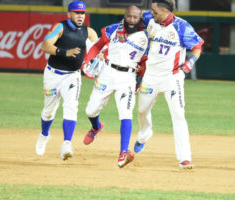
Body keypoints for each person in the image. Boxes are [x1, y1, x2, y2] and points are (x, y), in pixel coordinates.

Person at [133, 0, 204, 169]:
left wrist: (191, 61)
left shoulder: (182, 27)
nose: (152, 13)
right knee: (142, 110)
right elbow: (135, 16)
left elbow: (197, 46)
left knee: (178, 114)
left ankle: (184, 157)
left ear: (165, 11)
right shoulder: (150, 17)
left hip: (172, 77)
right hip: (150, 76)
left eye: (155, 11)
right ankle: (144, 134)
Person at [82, 5, 149, 168]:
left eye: (135, 17)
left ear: (140, 18)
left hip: (128, 77)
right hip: (107, 73)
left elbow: (144, 63)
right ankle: (96, 127)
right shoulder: (112, 29)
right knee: (90, 111)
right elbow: (97, 46)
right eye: (129, 16)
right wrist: (87, 61)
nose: (132, 20)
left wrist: (139, 82)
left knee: (126, 114)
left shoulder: (146, 36)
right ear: (124, 16)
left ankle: (123, 153)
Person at [35, 0, 98, 160]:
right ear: (69, 14)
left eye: (82, 13)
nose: (80, 16)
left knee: (71, 107)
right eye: (77, 12)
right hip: (53, 74)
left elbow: (98, 48)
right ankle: (44, 135)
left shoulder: (89, 32)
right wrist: (65, 52)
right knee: (49, 111)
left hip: (72, 76)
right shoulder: (60, 27)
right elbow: (45, 45)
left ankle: (67, 143)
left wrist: (100, 56)